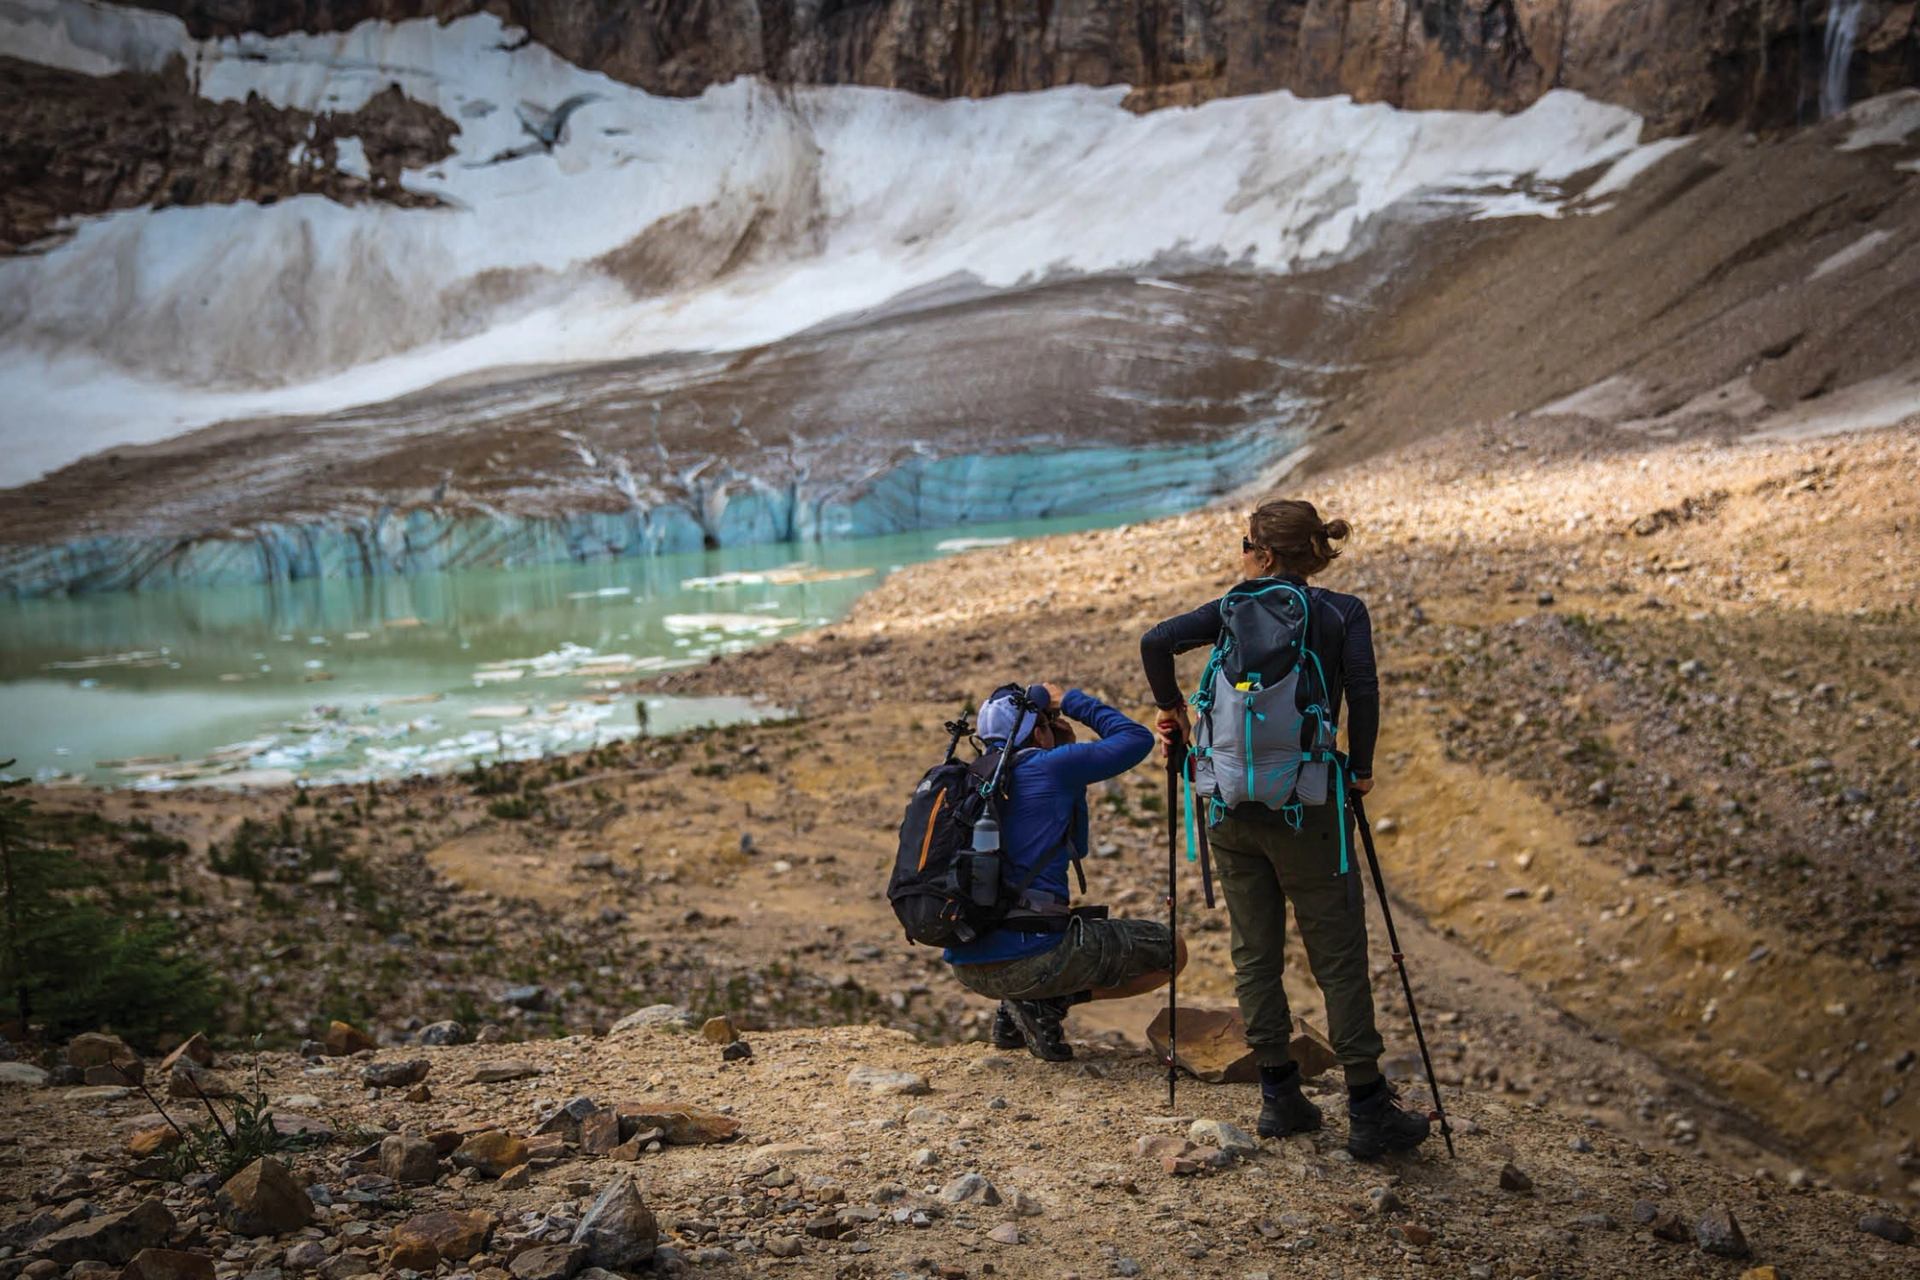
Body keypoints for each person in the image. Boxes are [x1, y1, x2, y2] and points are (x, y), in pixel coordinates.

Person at [1139, 499, 1431, 1159]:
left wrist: (1172, 710)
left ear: (1265, 555)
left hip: (1229, 808)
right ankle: (1368, 1109)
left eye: (1246, 544)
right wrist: (1361, 770)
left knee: (1254, 950)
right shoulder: (1342, 611)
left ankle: (1279, 1096)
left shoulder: (1229, 608)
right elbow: (1364, 691)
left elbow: (1155, 641)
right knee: (1338, 956)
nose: (1242, 554)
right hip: (1308, 806)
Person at [945, 682, 1188, 1061]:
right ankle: (1046, 1003)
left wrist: (1066, 766)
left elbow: (1076, 843)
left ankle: (1020, 1005)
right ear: (1036, 731)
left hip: (966, 961)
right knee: (1172, 951)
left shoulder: (971, 778)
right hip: (1031, 961)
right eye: (1048, 721)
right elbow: (1136, 739)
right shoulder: (1050, 766)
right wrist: (1070, 701)